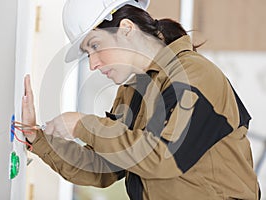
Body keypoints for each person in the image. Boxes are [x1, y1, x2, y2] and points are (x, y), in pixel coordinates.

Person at [21, 0, 260, 199]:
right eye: (87, 53)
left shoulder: (193, 74)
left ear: (126, 29)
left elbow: (163, 157)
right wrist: (38, 138)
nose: (93, 64)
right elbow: (102, 168)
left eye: (95, 46)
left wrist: (83, 124)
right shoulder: (133, 91)